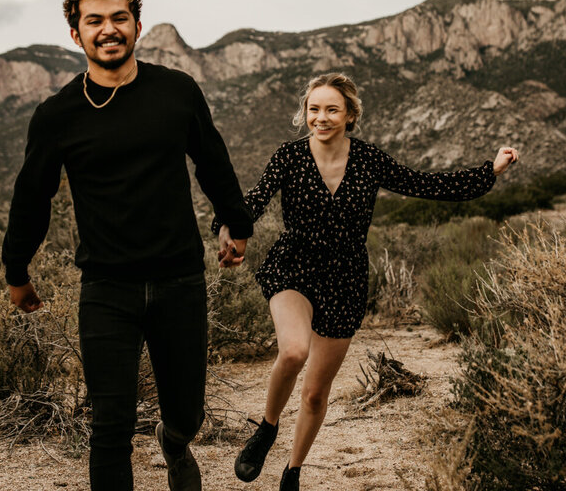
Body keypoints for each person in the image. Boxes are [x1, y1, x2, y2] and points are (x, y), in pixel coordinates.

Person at [2, 0, 254, 491]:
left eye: (120, 17)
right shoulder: (57, 115)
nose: (108, 29)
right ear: (76, 34)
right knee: (108, 426)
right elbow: (33, 196)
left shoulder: (177, 92)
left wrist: (235, 220)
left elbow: (212, 160)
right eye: (94, 21)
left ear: (138, 26)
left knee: (188, 414)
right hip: (106, 288)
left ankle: (176, 441)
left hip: (179, 279)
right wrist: (17, 269)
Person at [215, 73, 518, 490]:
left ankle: (293, 472)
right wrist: (228, 227)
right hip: (295, 268)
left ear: (350, 115)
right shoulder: (288, 156)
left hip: (346, 279)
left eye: (331, 109)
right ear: (305, 113)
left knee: (316, 395)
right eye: (313, 109)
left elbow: (425, 184)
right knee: (293, 351)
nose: (320, 118)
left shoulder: (369, 160)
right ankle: (266, 429)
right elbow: (254, 200)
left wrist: (491, 171)